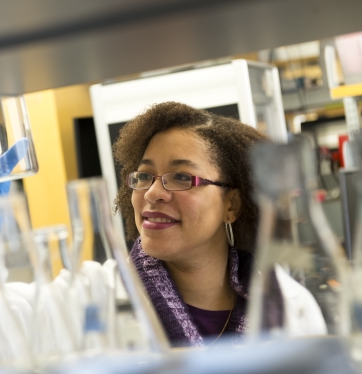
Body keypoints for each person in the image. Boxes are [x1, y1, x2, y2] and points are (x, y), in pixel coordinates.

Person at [112, 101, 268, 347]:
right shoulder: (101, 299)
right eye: (143, 176)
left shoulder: (285, 307)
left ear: (232, 205)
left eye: (182, 177)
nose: (152, 193)